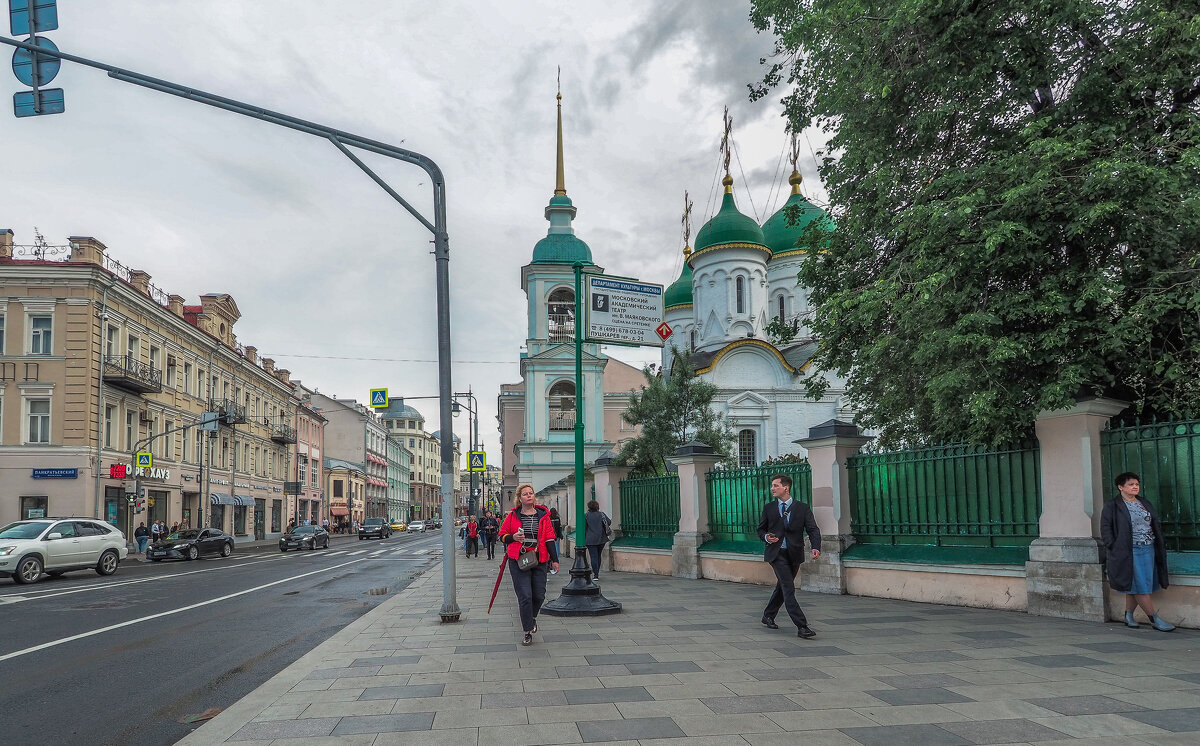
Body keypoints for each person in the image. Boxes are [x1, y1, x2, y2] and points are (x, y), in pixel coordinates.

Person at [1101, 472, 1175, 631]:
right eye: (1131, 484)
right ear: (1120, 487)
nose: (1135, 487)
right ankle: (1154, 619)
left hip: (1148, 549)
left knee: (1136, 584)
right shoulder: (1112, 506)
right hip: (1128, 551)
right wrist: (1113, 545)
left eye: (1137, 484)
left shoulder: (1144, 502)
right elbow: (1106, 528)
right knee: (1140, 586)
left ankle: (1128, 615)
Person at [757, 473, 821, 639]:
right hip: (776, 554)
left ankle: (768, 615)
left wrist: (816, 547)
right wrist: (766, 537)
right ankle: (802, 626)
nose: (772, 488)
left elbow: (813, 529)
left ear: (786, 487)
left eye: (775, 485)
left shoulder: (802, 508)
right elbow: (760, 529)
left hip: (794, 554)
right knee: (788, 587)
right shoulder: (769, 508)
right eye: (772, 486)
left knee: (782, 586)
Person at [499, 484, 560, 645]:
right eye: (525, 494)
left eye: (531, 493)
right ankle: (527, 631)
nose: (529, 496)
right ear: (519, 498)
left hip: (539, 559)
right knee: (525, 596)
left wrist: (555, 560)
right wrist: (513, 537)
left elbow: (549, 539)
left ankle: (531, 618)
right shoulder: (512, 516)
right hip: (518, 559)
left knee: (539, 595)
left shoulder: (543, 516)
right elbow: (502, 536)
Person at [583, 500, 611, 581]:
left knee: (593, 556)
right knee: (598, 555)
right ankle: (596, 573)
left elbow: (584, 528)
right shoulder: (601, 514)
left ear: (589, 507)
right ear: (597, 506)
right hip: (601, 538)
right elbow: (609, 522)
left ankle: (595, 574)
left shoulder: (586, 515)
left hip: (590, 539)